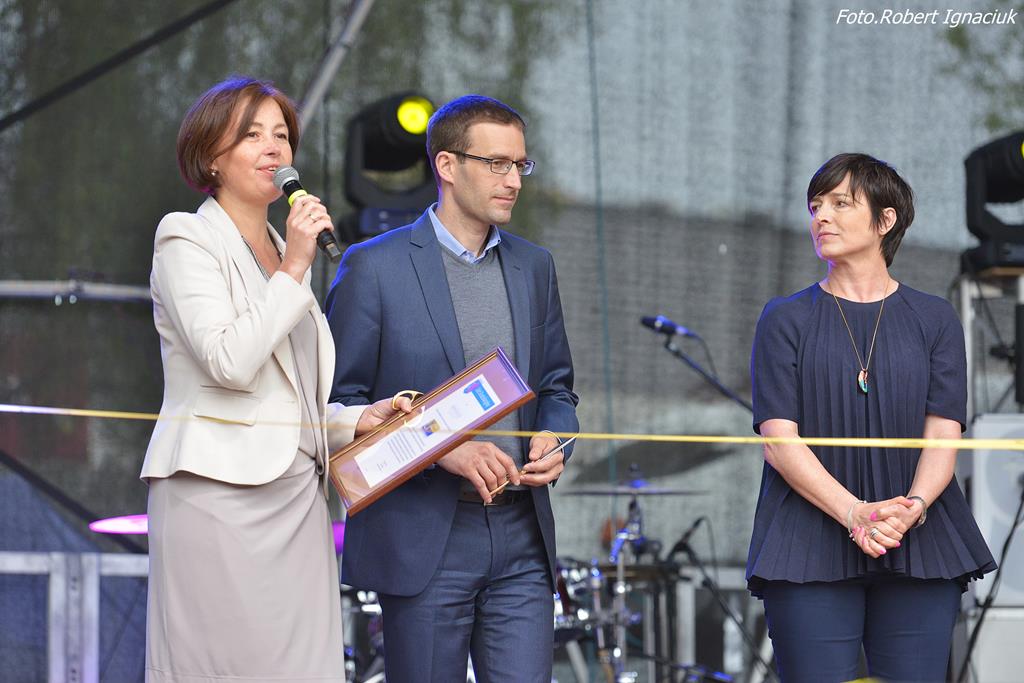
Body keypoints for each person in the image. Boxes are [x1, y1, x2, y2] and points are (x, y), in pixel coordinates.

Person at [140, 76, 412, 683]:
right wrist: (293, 266)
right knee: (222, 668)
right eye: (252, 135)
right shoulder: (186, 237)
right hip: (217, 495)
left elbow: (285, 393)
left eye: (282, 136)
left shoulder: (280, 247)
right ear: (211, 156)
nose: (273, 148)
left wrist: (354, 421)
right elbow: (229, 362)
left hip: (298, 502)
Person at [325, 94, 579, 682]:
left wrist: (558, 438)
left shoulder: (534, 267)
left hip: (522, 532)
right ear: (446, 165)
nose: (513, 180)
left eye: (520, 164)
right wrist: (443, 448)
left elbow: (557, 387)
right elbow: (337, 410)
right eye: (496, 163)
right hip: (424, 537)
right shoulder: (374, 267)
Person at [747, 152, 996, 682]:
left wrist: (913, 508)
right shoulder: (784, 318)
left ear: (885, 220)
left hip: (918, 537)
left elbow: (943, 435)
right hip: (809, 541)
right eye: (815, 206)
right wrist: (854, 513)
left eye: (841, 203)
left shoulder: (934, 318)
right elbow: (778, 441)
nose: (821, 216)